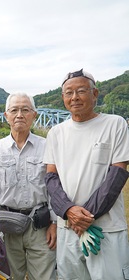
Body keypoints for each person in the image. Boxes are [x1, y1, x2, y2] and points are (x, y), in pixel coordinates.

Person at [43, 69, 129, 280]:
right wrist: (69, 211)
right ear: (62, 97)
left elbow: (117, 174)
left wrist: (83, 219)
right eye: (68, 92)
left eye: (81, 91)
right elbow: (51, 179)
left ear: (95, 93)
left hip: (106, 229)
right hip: (68, 229)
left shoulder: (115, 124)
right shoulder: (56, 133)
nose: (75, 97)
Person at [0, 93, 57, 280]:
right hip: (6, 227)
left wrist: (55, 223)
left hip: (40, 226)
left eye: (25, 110)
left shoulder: (47, 146)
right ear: (6, 115)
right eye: (14, 110)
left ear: (34, 115)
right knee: (6, 276)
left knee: (45, 276)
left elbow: (54, 188)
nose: (19, 115)